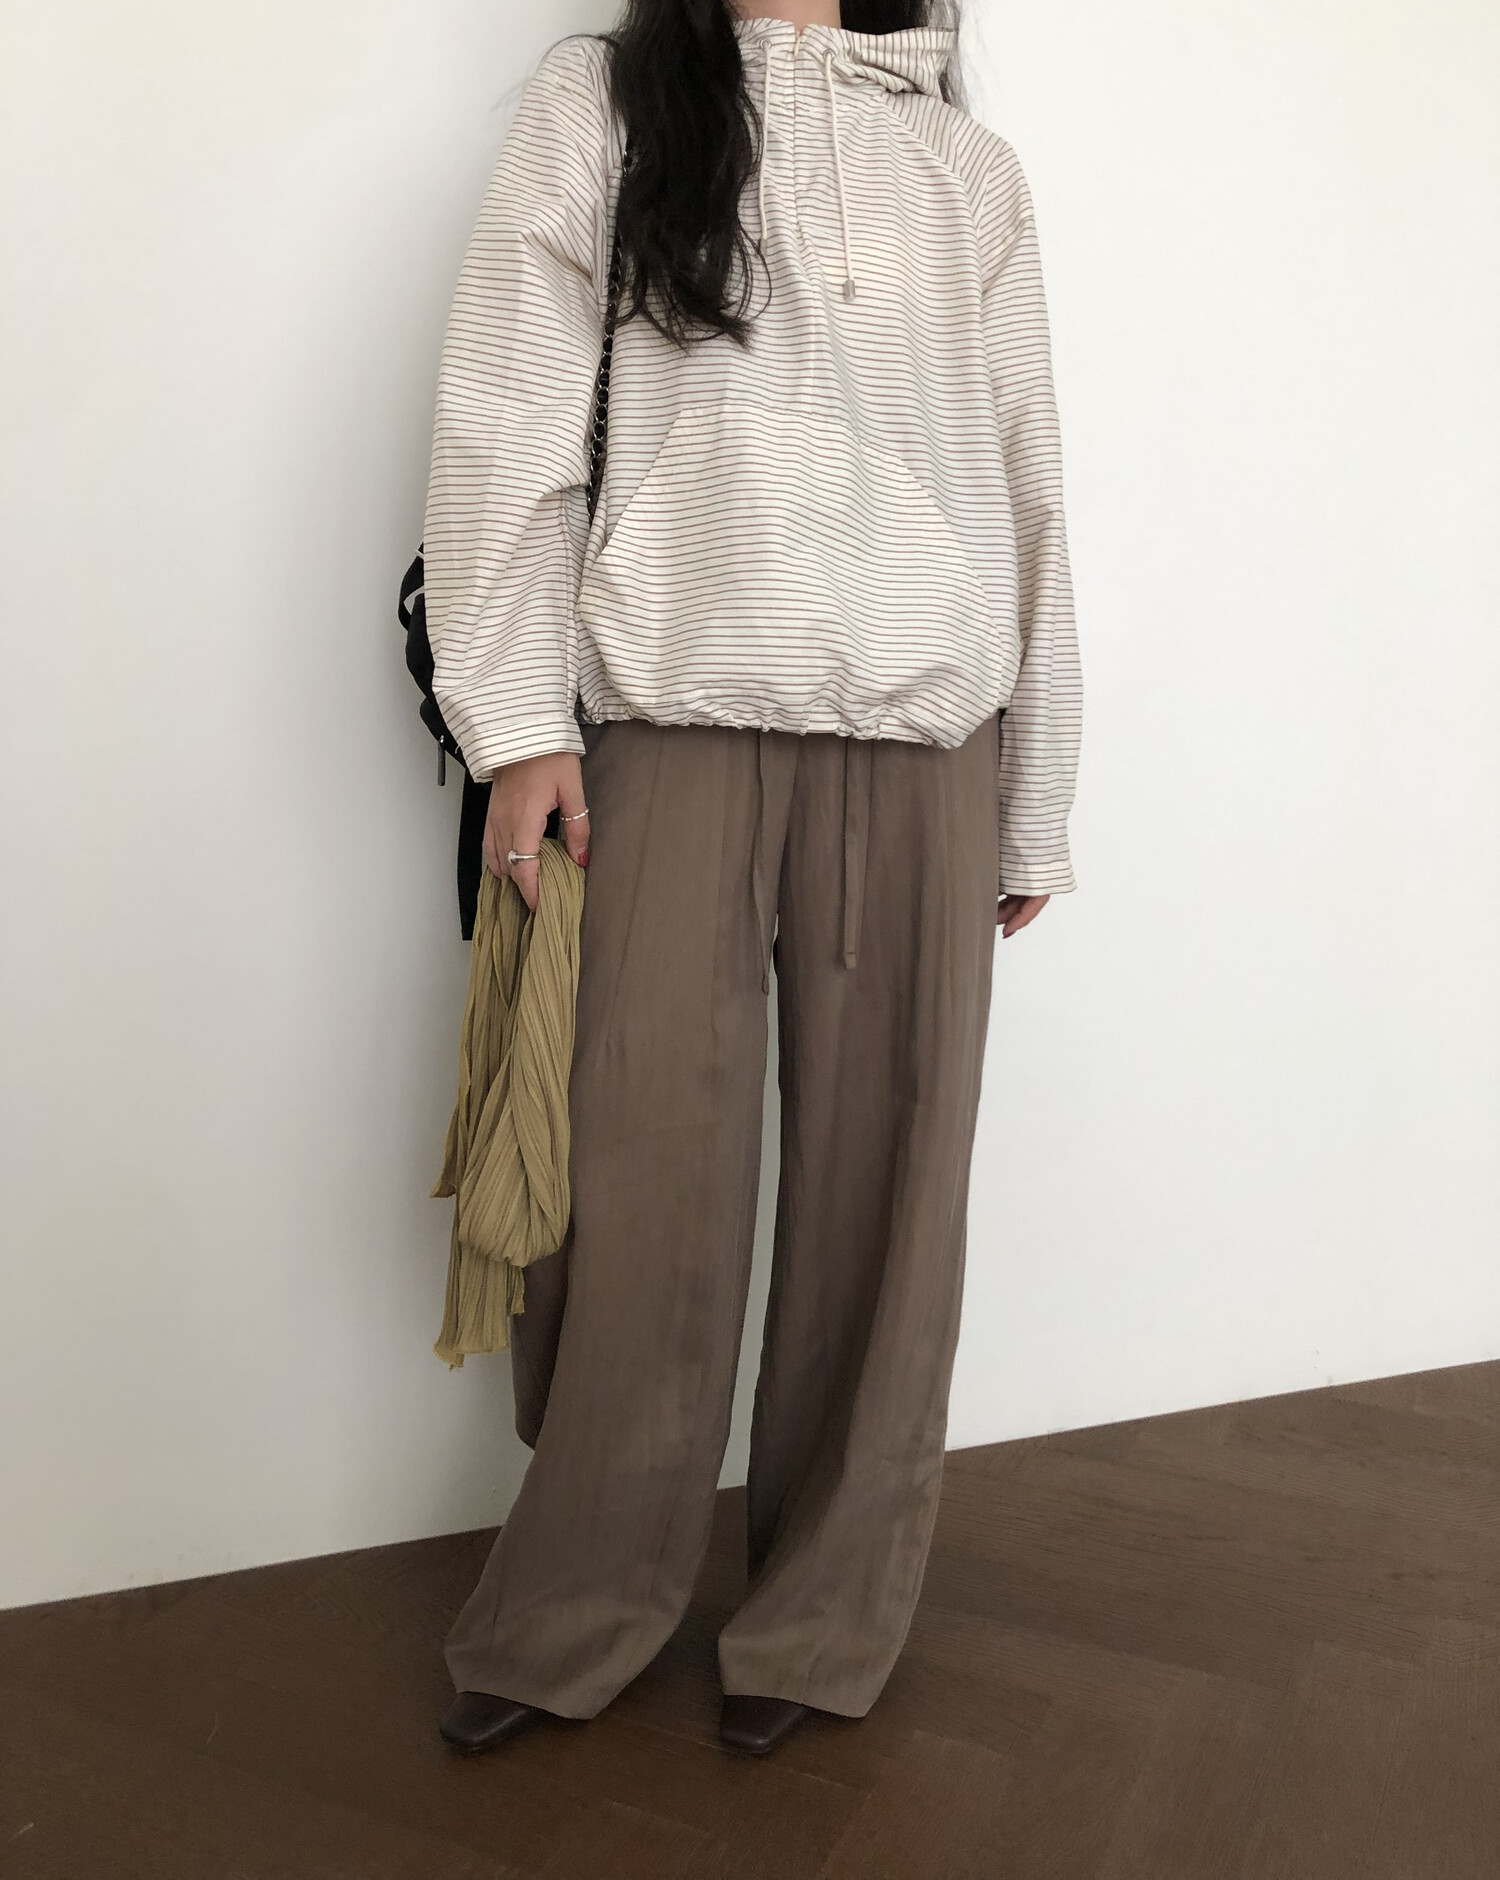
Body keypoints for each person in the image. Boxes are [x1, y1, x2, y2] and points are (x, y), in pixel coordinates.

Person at [421, 0, 1081, 1758]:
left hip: (926, 741)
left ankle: (824, 1618)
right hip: (674, 717)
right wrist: (515, 724)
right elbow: (506, 418)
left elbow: (1027, 484)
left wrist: (1036, 796)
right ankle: (576, 1605)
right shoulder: (607, 102)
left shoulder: (967, 167)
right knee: (630, 1183)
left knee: (892, 1194)